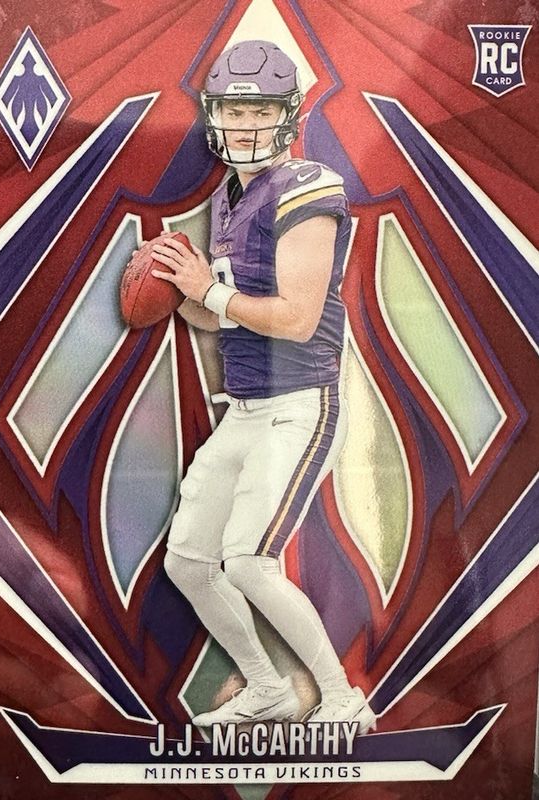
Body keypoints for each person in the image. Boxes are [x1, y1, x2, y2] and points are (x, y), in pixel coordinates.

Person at [150, 40, 375, 732]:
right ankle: (267, 687)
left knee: (248, 561)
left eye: (259, 111)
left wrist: (207, 293)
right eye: (234, 110)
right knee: (190, 560)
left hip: (301, 403)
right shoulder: (230, 198)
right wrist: (173, 287)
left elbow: (298, 320)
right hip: (245, 408)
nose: (245, 125)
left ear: (287, 116)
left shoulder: (309, 186)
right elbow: (223, 318)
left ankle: (341, 697)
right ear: (214, 114)